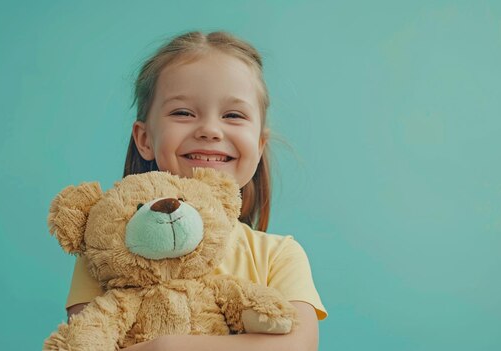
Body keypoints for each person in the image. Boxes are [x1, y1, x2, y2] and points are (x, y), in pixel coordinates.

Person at [64, 30, 327, 351]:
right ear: (145, 139)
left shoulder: (279, 255)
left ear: (259, 146)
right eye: (183, 113)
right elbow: (84, 341)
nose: (210, 130)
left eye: (233, 115)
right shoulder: (106, 254)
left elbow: (298, 345)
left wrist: (168, 347)